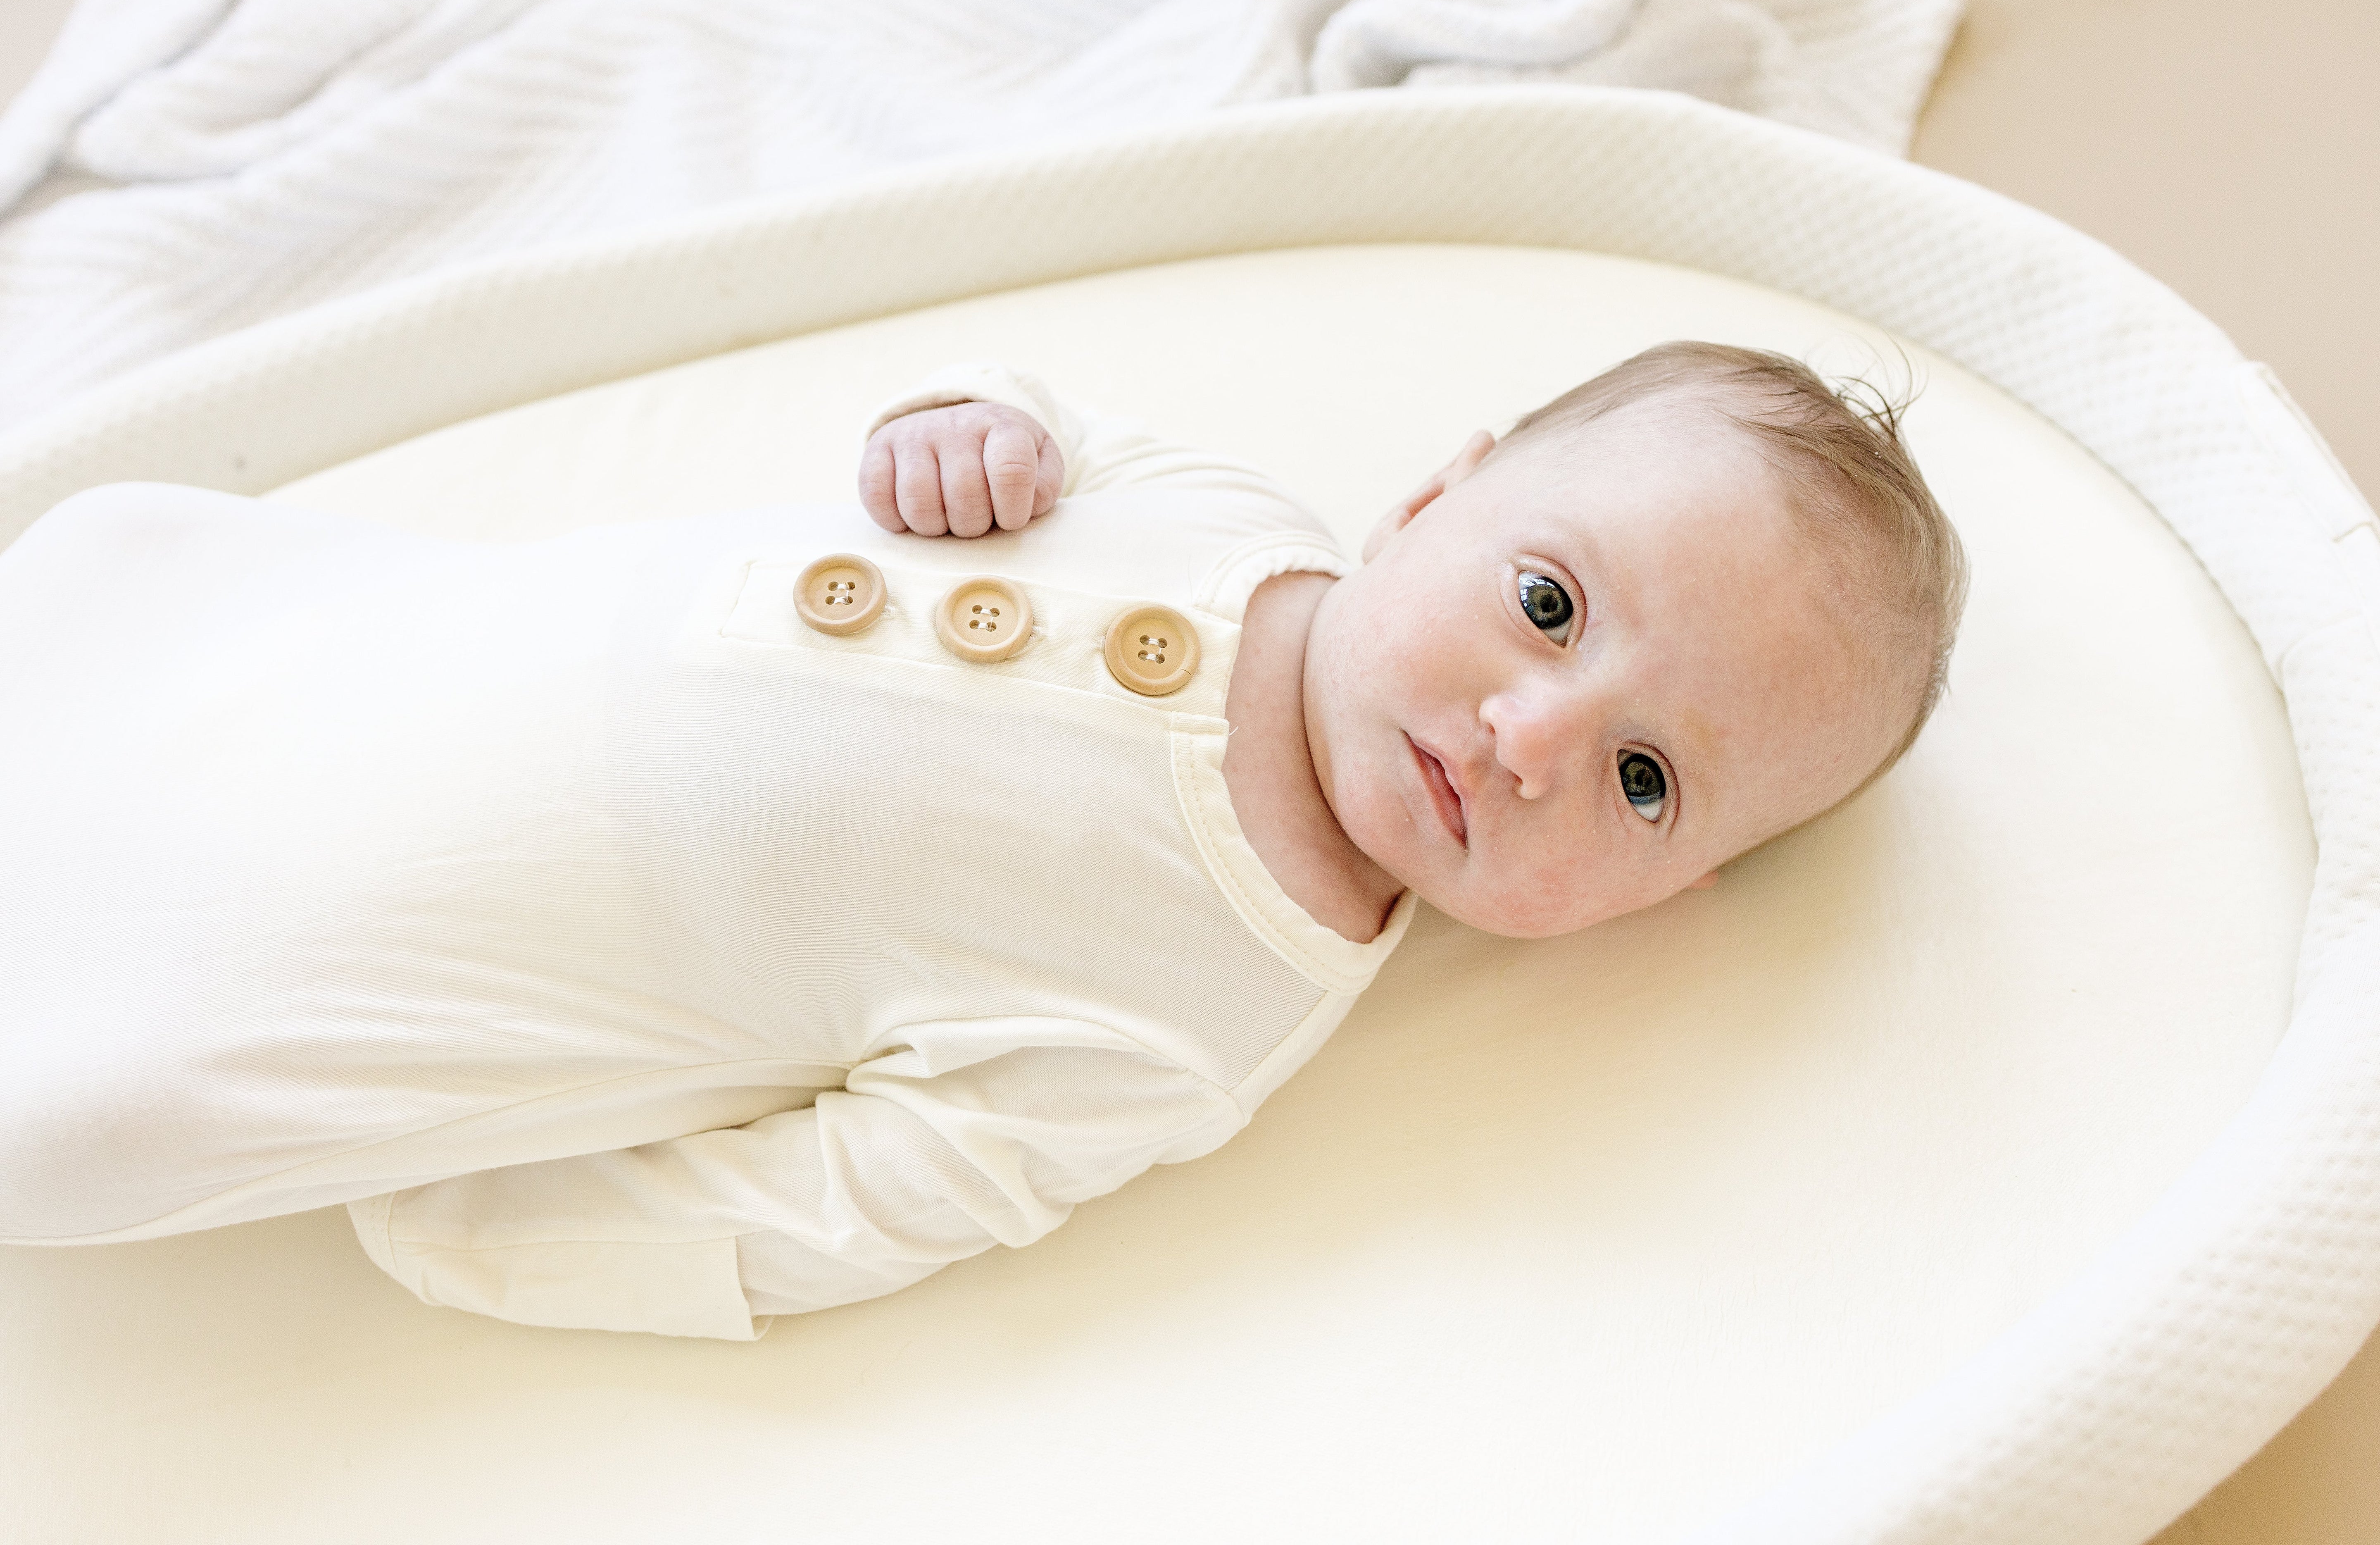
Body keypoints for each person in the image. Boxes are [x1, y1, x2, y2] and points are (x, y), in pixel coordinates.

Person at [0, 341, 1966, 1339]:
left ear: (1665, 892)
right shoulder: (1217, 508)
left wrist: (507, 1237)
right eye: (1548, 607)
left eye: (1646, 781)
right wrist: (967, 425)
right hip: (484, 656)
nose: (1534, 736)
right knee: (134, 590)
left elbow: (874, 1200)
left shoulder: (1210, 1015)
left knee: (83, 1114)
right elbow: (1028, 434)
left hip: (474, 938)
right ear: (1437, 495)